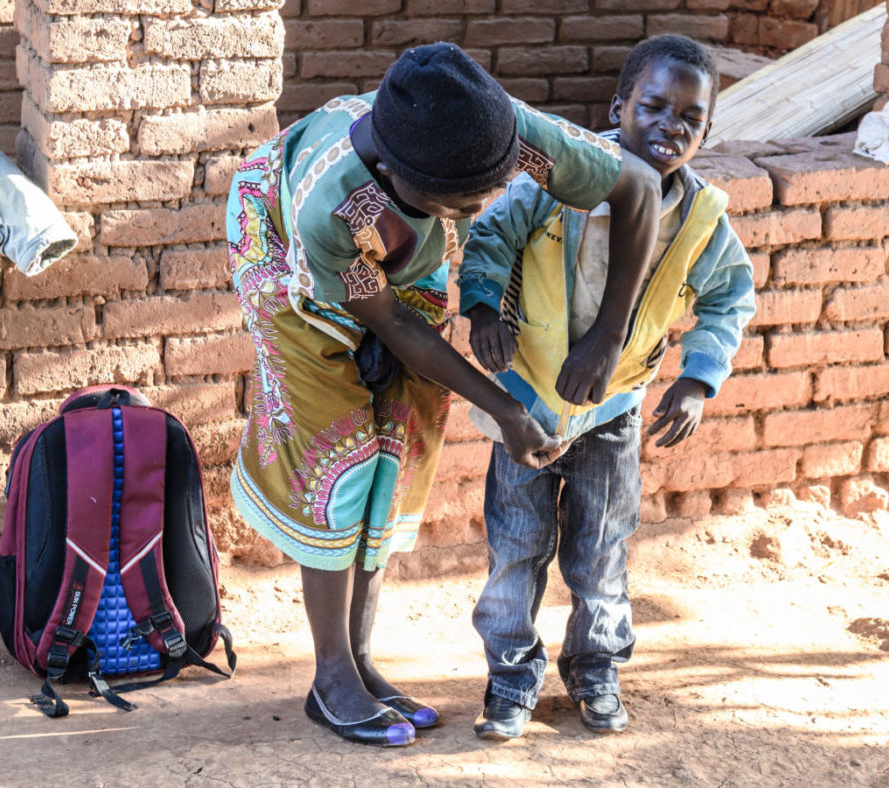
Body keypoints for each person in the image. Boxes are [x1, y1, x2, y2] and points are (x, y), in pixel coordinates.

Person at [225, 42, 663, 747]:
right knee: (341, 457)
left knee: (401, 439)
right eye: (462, 203)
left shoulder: (489, 129)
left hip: (398, 249)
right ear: (398, 174)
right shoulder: (332, 206)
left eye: (490, 188)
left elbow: (637, 186)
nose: (483, 208)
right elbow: (394, 325)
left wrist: (610, 335)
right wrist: (505, 409)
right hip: (284, 255)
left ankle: (361, 658)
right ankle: (331, 677)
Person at [457, 35, 756, 739]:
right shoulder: (558, 183)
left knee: (601, 551)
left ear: (707, 131)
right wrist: (483, 309)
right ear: (619, 106)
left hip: (613, 413)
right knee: (516, 547)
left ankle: (595, 667)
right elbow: (492, 237)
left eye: (690, 118)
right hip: (525, 403)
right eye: (653, 106)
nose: (669, 126)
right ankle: (510, 676)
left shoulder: (701, 221)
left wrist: (697, 380)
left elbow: (729, 298)